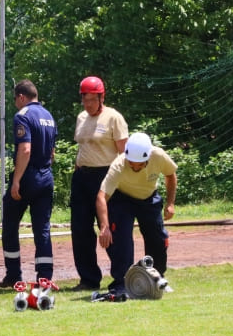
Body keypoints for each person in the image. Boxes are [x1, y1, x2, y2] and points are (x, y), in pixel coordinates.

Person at [96, 132, 177, 294]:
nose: (135, 167)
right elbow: (101, 197)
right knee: (121, 239)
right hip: (122, 199)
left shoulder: (159, 155)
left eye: (140, 164)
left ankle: (157, 278)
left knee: (158, 239)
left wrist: (170, 203)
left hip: (149, 197)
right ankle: (122, 283)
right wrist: (104, 227)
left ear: (148, 157)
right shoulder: (118, 165)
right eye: (131, 163)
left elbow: (170, 175)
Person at [69, 76, 128, 291]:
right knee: (80, 229)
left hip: (106, 176)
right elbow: (82, 147)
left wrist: (121, 182)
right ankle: (88, 278)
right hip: (82, 177)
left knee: (111, 228)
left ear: (102, 98)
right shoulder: (81, 117)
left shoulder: (114, 118)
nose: (88, 105)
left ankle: (121, 277)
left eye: (92, 100)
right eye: (85, 100)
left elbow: (124, 153)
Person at [0, 79, 57, 287]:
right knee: (42, 229)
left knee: (10, 224)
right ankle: (45, 277)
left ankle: (13, 274)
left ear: (21, 97)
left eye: (15, 99)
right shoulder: (49, 116)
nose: (16, 104)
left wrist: (16, 181)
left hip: (28, 176)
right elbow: (52, 152)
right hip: (46, 175)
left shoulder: (22, 116)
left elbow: (25, 149)